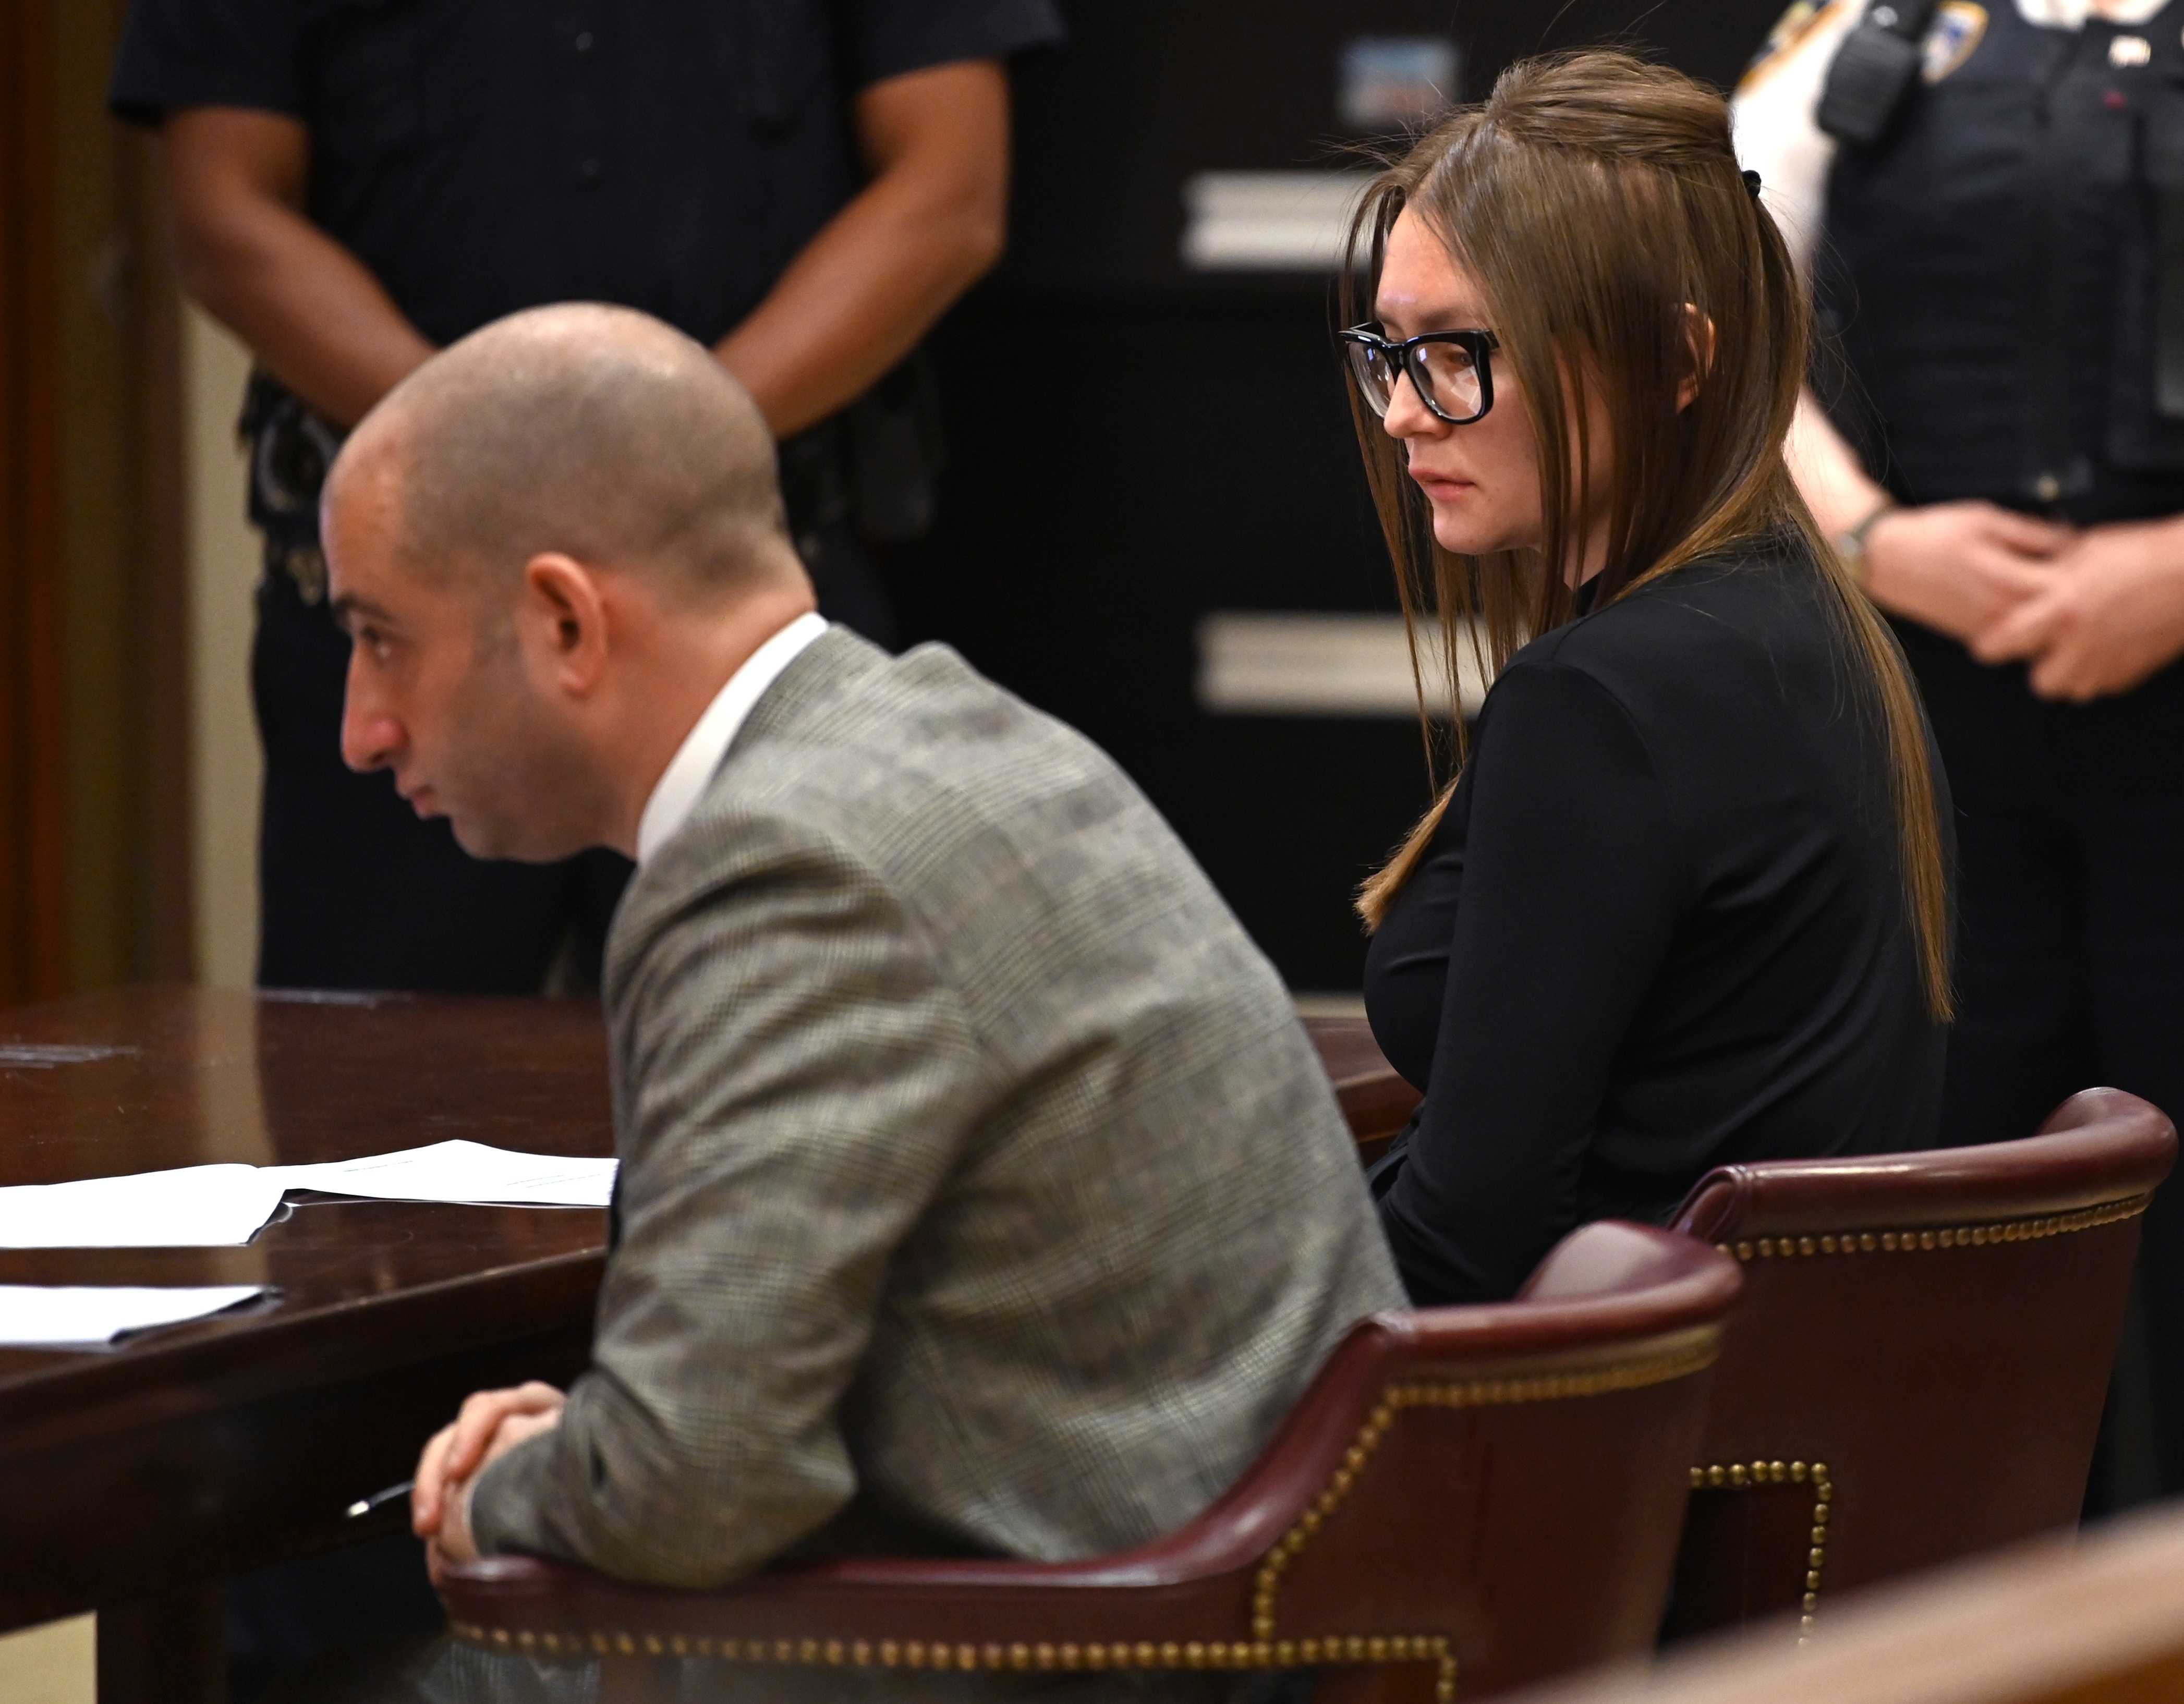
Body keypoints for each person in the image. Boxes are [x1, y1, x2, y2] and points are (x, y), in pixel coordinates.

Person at [297, 302, 1400, 1698]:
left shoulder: (783, 859)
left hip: (1052, 1658)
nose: (358, 726)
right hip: (1208, 1618)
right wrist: (603, 1445)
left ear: (566, 619)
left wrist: (506, 1492)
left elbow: (694, 1489)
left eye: (382, 639)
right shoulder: (968, 739)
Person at [106, 0, 1062, 996]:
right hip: (410, 614)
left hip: (725, 599)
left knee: (790, 1030)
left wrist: (644, 452)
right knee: (377, 1098)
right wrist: (483, 458)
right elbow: (223, 215)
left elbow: (947, 195)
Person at [1339, 51, 1952, 1308]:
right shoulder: (1810, 623)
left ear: (1678, 359)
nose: (1406, 412)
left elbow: (1468, 1244)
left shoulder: (1606, 702)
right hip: (1738, 1406)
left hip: (1599, 1444)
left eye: (1457, 353)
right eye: (1388, 350)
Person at [1734, 0, 2184, 1499]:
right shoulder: (1869, 31)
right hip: (1940, 750)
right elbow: (1704, 290)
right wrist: (1866, 534)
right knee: (1954, 1237)